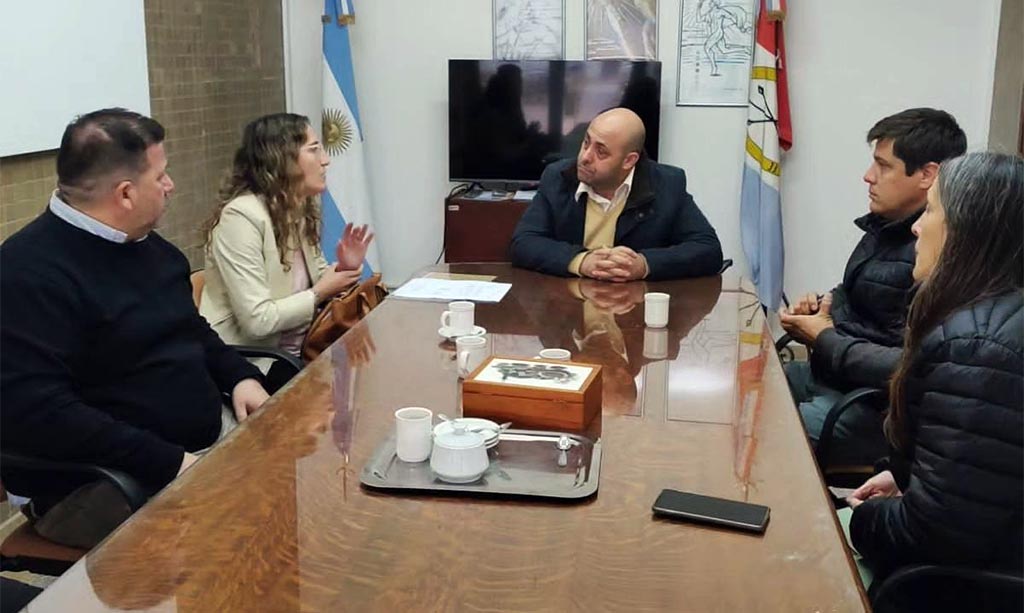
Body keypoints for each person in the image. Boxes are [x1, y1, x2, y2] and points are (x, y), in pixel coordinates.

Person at [0, 108, 270, 548]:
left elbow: (190, 328)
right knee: (246, 538)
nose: (171, 185)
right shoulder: (25, 275)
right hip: (96, 483)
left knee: (298, 474)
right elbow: (44, 415)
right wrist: (169, 463)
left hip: (193, 447)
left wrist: (239, 376)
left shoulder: (148, 247)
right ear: (125, 194)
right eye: (161, 176)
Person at [845, 153, 1023, 598]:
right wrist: (904, 478)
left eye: (932, 212)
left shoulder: (979, 347)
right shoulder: (993, 317)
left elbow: (937, 534)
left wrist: (859, 518)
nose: (916, 228)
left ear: (970, 233)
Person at [780, 108, 966, 466]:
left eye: (883, 166)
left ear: (928, 174)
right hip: (833, 377)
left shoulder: (935, 250)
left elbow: (909, 365)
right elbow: (864, 298)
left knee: (763, 439)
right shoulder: (887, 224)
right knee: (750, 392)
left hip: (873, 409)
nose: (868, 177)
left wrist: (823, 336)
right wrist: (821, 309)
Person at [199, 113, 373, 360]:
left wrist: (345, 268)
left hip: (306, 350)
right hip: (258, 362)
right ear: (282, 159)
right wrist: (320, 293)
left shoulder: (294, 208)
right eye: (313, 150)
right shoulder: (241, 217)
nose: (325, 161)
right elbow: (258, 321)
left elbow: (315, 282)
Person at [509, 107, 723, 282]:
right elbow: (524, 243)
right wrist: (582, 261)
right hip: (569, 311)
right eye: (586, 143)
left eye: (601, 151)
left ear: (629, 161)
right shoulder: (558, 177)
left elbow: (708, 250)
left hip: (635, 312)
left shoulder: (667, 184)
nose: (584, 157)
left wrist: (643, 264)